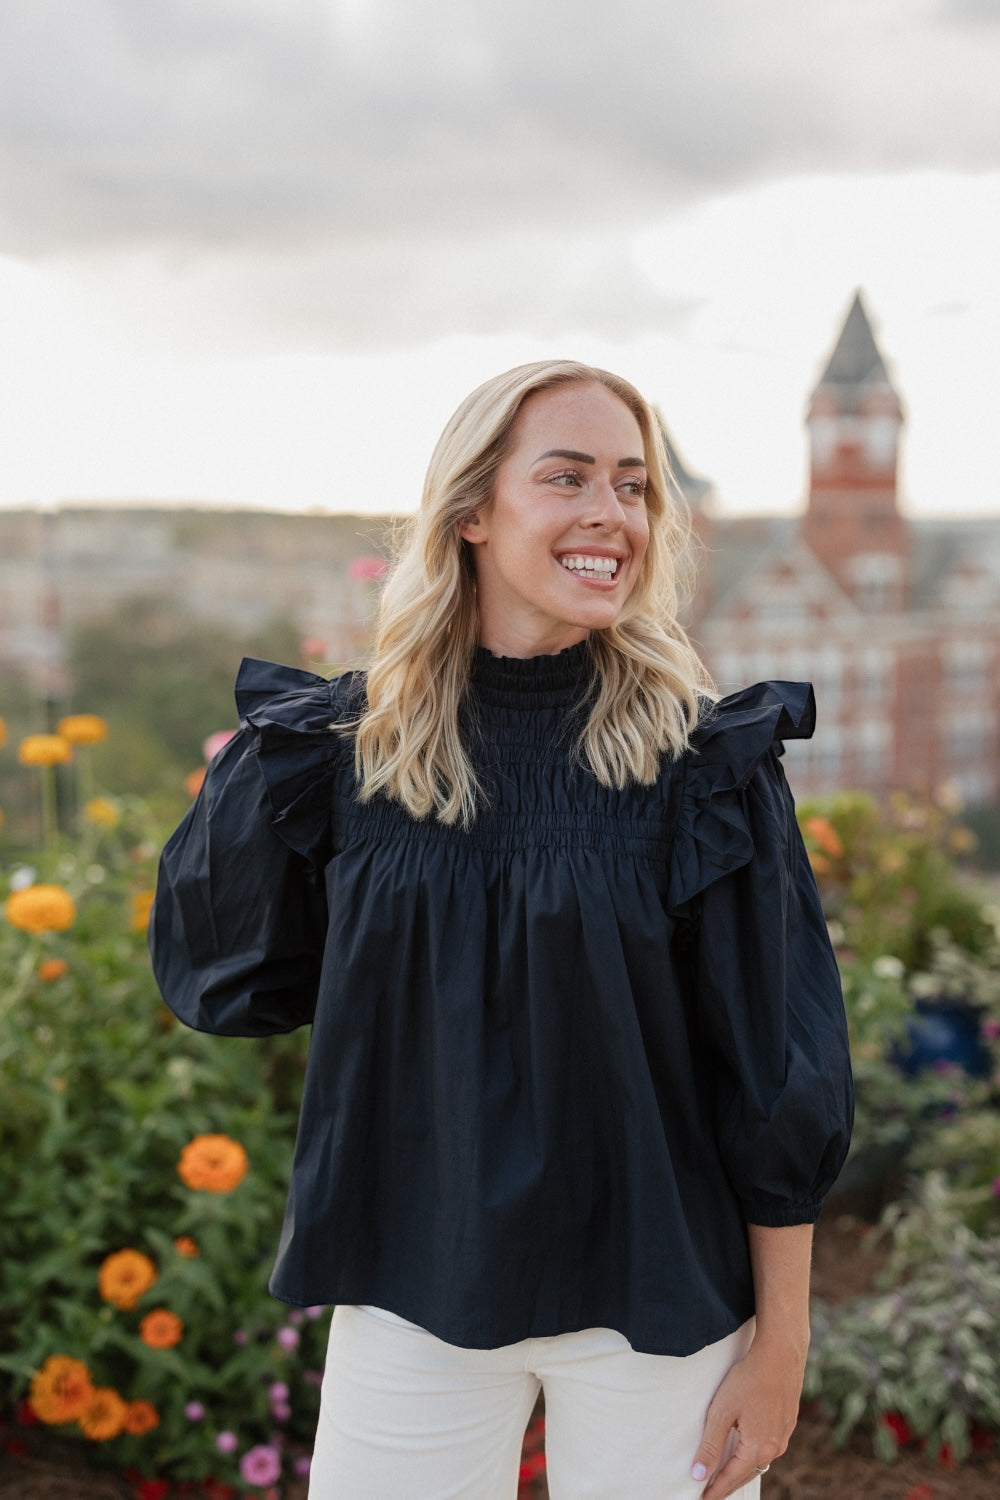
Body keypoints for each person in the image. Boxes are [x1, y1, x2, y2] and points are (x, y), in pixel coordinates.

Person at [150, 360, 853, 1500]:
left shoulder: (701, 768)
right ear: (471, 512)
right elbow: (230, 984)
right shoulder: (345, 756)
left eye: (632, 486)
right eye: (567, 477)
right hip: (411, 1287)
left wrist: (781, 1345)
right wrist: (240, 811)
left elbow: (777, 1074)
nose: (608, 514)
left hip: (660, 1306)